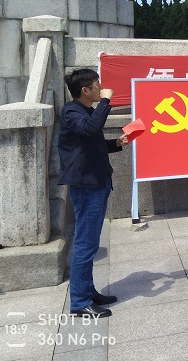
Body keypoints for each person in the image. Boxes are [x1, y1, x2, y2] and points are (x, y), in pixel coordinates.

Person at [58, 69, 128, 318]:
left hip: (97, 181)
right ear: (85, 90)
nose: (101, 88)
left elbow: (91, 143)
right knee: (85, 245)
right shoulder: (72, 111)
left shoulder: (86, 112)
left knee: (90, 243)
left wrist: (116, 143)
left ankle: (88, 291)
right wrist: (106, 101)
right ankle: (79, 302)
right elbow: (91, 128)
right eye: (98, 85)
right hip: (86, 186)